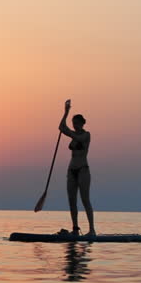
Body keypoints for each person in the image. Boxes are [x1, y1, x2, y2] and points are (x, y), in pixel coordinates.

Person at [59, 99, 95, 236]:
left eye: (76, 123)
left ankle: (92, 230)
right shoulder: (73, 135)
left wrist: (66, 131)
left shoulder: (86, 135)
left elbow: (67, 131)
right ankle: (75, 229)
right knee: (72, 201)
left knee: (85, 199)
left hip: (83, 170)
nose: (74, 125)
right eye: (73, 123)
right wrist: (66, 112)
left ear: (82, 123)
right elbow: (61, 127)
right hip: (71, 170)